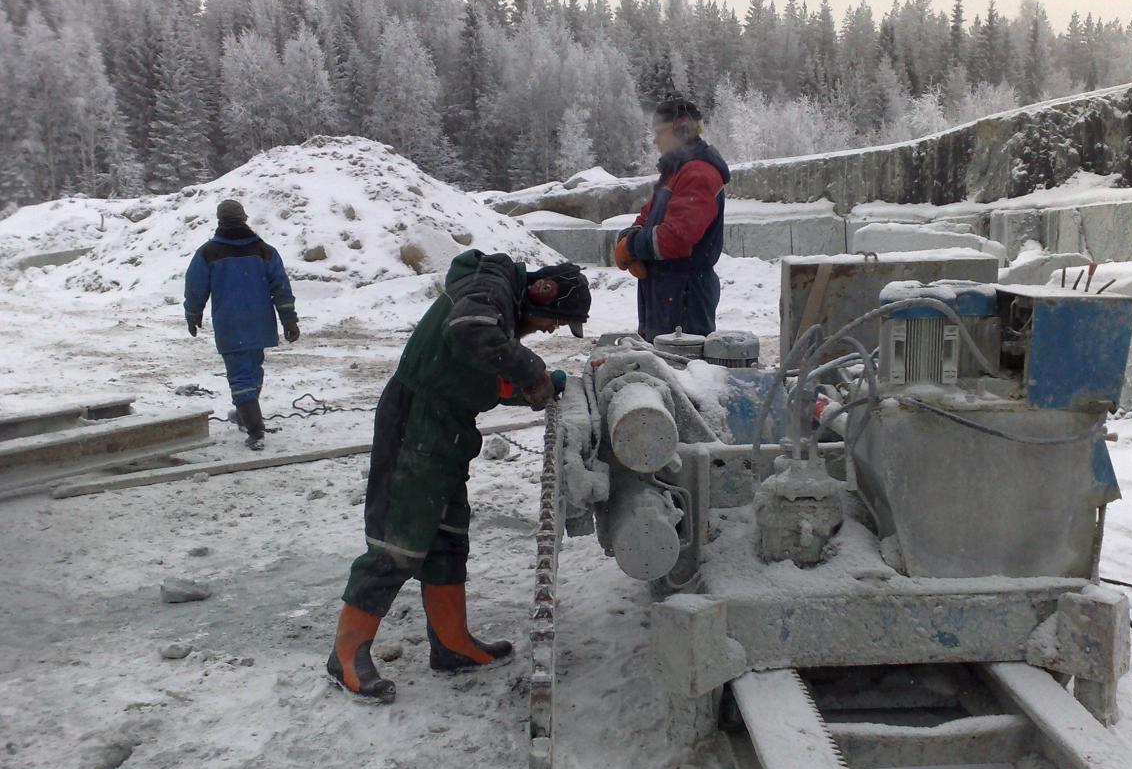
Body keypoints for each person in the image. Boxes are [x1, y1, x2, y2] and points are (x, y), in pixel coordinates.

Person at [328, 249, 591, 703]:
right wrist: (532, 372)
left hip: (447, 428)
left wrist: (544, 383)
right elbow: (470, 332)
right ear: (542, 293)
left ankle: (451, 645)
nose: (551, 329)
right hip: (416, 424)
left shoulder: (498, 309)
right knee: (398, 543)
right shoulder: (488, 287)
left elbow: (481, 367)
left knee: (447, 539)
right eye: (555, 320)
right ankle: (346, 654)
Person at [613, 94, 731, 342]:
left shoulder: (698, 174)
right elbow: (648, 216)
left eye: (659, 132)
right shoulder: (676, 171)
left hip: (685, 295)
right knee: (660, 357)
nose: (654, 140)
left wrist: (631, 246)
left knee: (680, 361)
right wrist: (628, 238)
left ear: (681, 129)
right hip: (667, 290)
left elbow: (677, 237)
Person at [184, 199, 299, 450]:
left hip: (230, 323)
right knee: (253, 371)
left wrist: (193, 314)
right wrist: (289, 319)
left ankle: (255, 429)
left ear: (220, 220)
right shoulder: (264, 251)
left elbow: (195, 287)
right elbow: (281, 287)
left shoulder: (208, 253)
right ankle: (245, 416)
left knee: (240, 376)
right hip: (259, 322)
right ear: (244, 218)